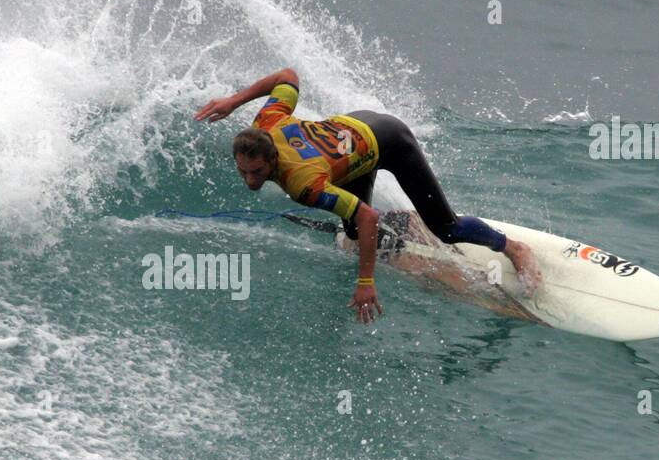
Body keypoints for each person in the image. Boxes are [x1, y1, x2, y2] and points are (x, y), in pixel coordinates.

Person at [194, 68, 541, 323]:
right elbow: (287, 76)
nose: (249, 180)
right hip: (353, 140)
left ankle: (512, 248)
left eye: (257, 172)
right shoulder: (266, 121)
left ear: (272, 159)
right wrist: (232, 102)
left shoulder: (304, 183)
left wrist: (365, 283)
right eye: (243, 171)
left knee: (445, 229)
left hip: (389, 141)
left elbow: (368, 214)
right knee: (356, 232)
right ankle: (395, 232)